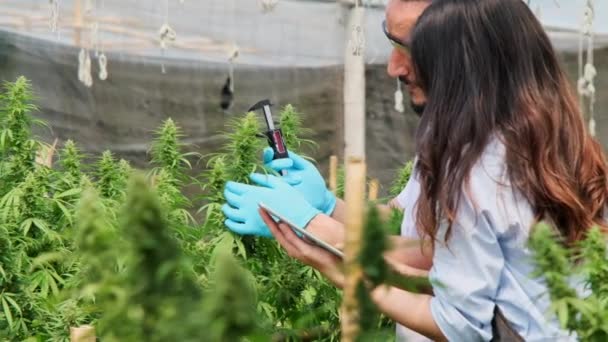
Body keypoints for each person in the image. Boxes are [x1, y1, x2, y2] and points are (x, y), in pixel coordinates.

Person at [221, 0, 608, 340]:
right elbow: (419, 239)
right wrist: (325, 205)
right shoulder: (532, 135)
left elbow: (460, 324)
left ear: (459, 49)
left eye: (406, 47)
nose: (393, 67)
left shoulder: (479, 166)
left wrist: (316, 234)